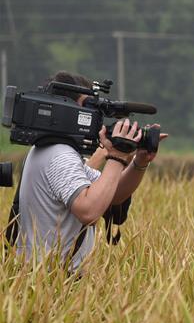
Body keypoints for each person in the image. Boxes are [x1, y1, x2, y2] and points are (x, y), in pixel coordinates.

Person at [14, 71, 163, 273]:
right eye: (88, 107)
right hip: (55, 280)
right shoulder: (60, 155)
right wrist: (117, 156)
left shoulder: (49, 149)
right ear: (68, 109)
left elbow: (112, 194)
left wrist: (139, 162)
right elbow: (89, 211)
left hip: (46, 277)